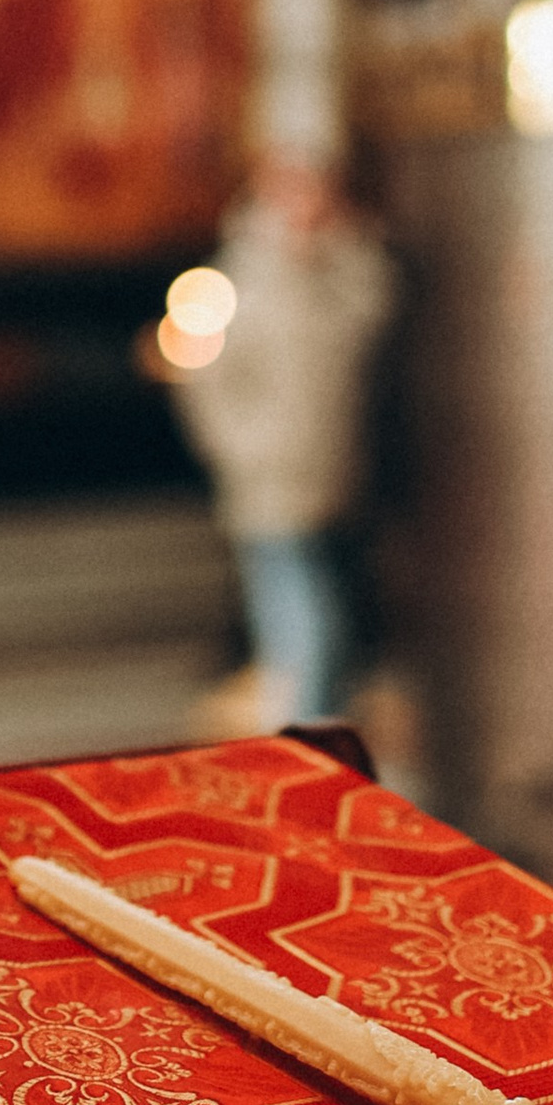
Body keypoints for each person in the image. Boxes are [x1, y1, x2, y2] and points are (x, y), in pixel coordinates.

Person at [170, 154, 395, 726]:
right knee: (301, 612)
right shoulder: (234, 284)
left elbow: (374, 315)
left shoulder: (337, 276)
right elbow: (204, 381)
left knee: (334, 610)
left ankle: (320, 724)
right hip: (270, 478)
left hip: (337, 472)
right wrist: (247, 448)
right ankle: (308, 731)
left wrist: (344, 244)